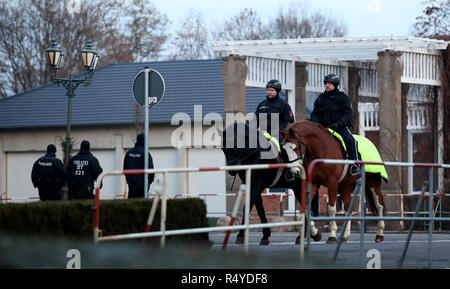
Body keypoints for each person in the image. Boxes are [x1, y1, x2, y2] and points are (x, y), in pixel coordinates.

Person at [310, 73, 360, 175]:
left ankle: (355, 164)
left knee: (351, 141)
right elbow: (314, 114)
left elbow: (348, 115)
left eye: (329, 83)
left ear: (335, 84)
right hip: (323, 129)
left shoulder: (343, 98)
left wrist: (338, 124)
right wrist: (316, 125)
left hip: (339, 128)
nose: (327, 85)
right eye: (326, 83)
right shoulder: (320, 98)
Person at [123, 133, 155, 198]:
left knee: (131, 204)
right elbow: (151, 170)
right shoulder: (145, 153)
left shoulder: (129, 153)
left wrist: (129, 180)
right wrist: (149, 182)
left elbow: (125, 168)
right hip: (143, 186)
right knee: (142, 205)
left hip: (131, 185)